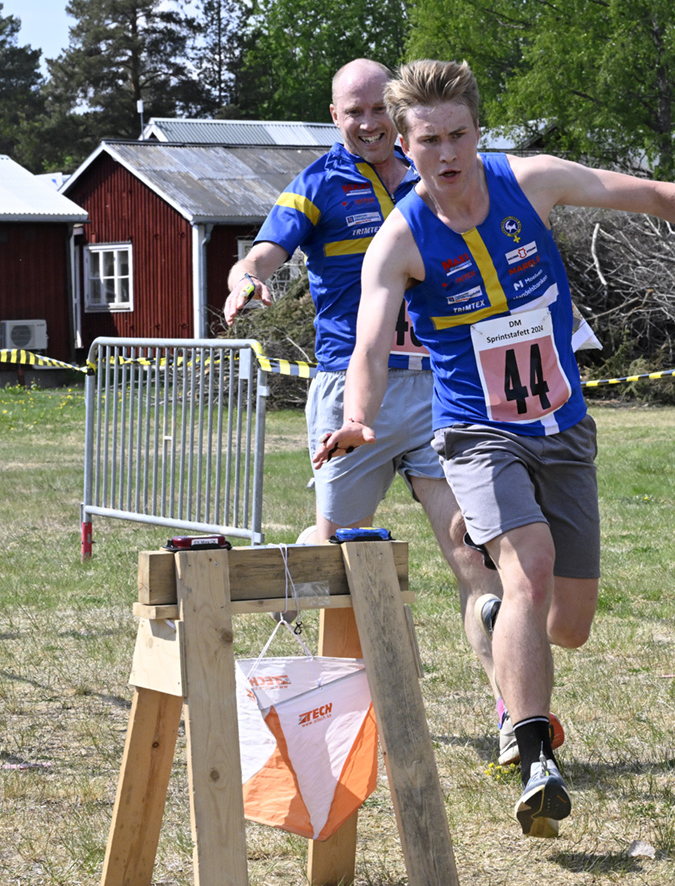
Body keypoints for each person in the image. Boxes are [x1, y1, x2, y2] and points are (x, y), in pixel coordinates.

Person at [314, 59, 675, 837]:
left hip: (561, 427)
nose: (446, 154)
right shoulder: (398, 241)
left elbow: (652, 196)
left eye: (458, 135)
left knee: (569, 624)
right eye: (427, 141)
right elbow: (366, 346)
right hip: (475, 431)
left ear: (478, 132)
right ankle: (534, 757)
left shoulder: (530, 182)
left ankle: (497, 605)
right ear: (403, 142)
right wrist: (359, 416)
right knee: (529, 563)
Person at [224, 59, 507, 736]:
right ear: (335, 117)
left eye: (380, 108)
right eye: (354, 112)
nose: (370, 123)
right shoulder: (316, 184)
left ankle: (513, 713)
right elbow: (265, 249)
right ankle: (299, 583)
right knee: (334, 551)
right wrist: (246, 277)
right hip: (352, 395)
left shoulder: (436, 167)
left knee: (473, 556)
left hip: (441, 388)